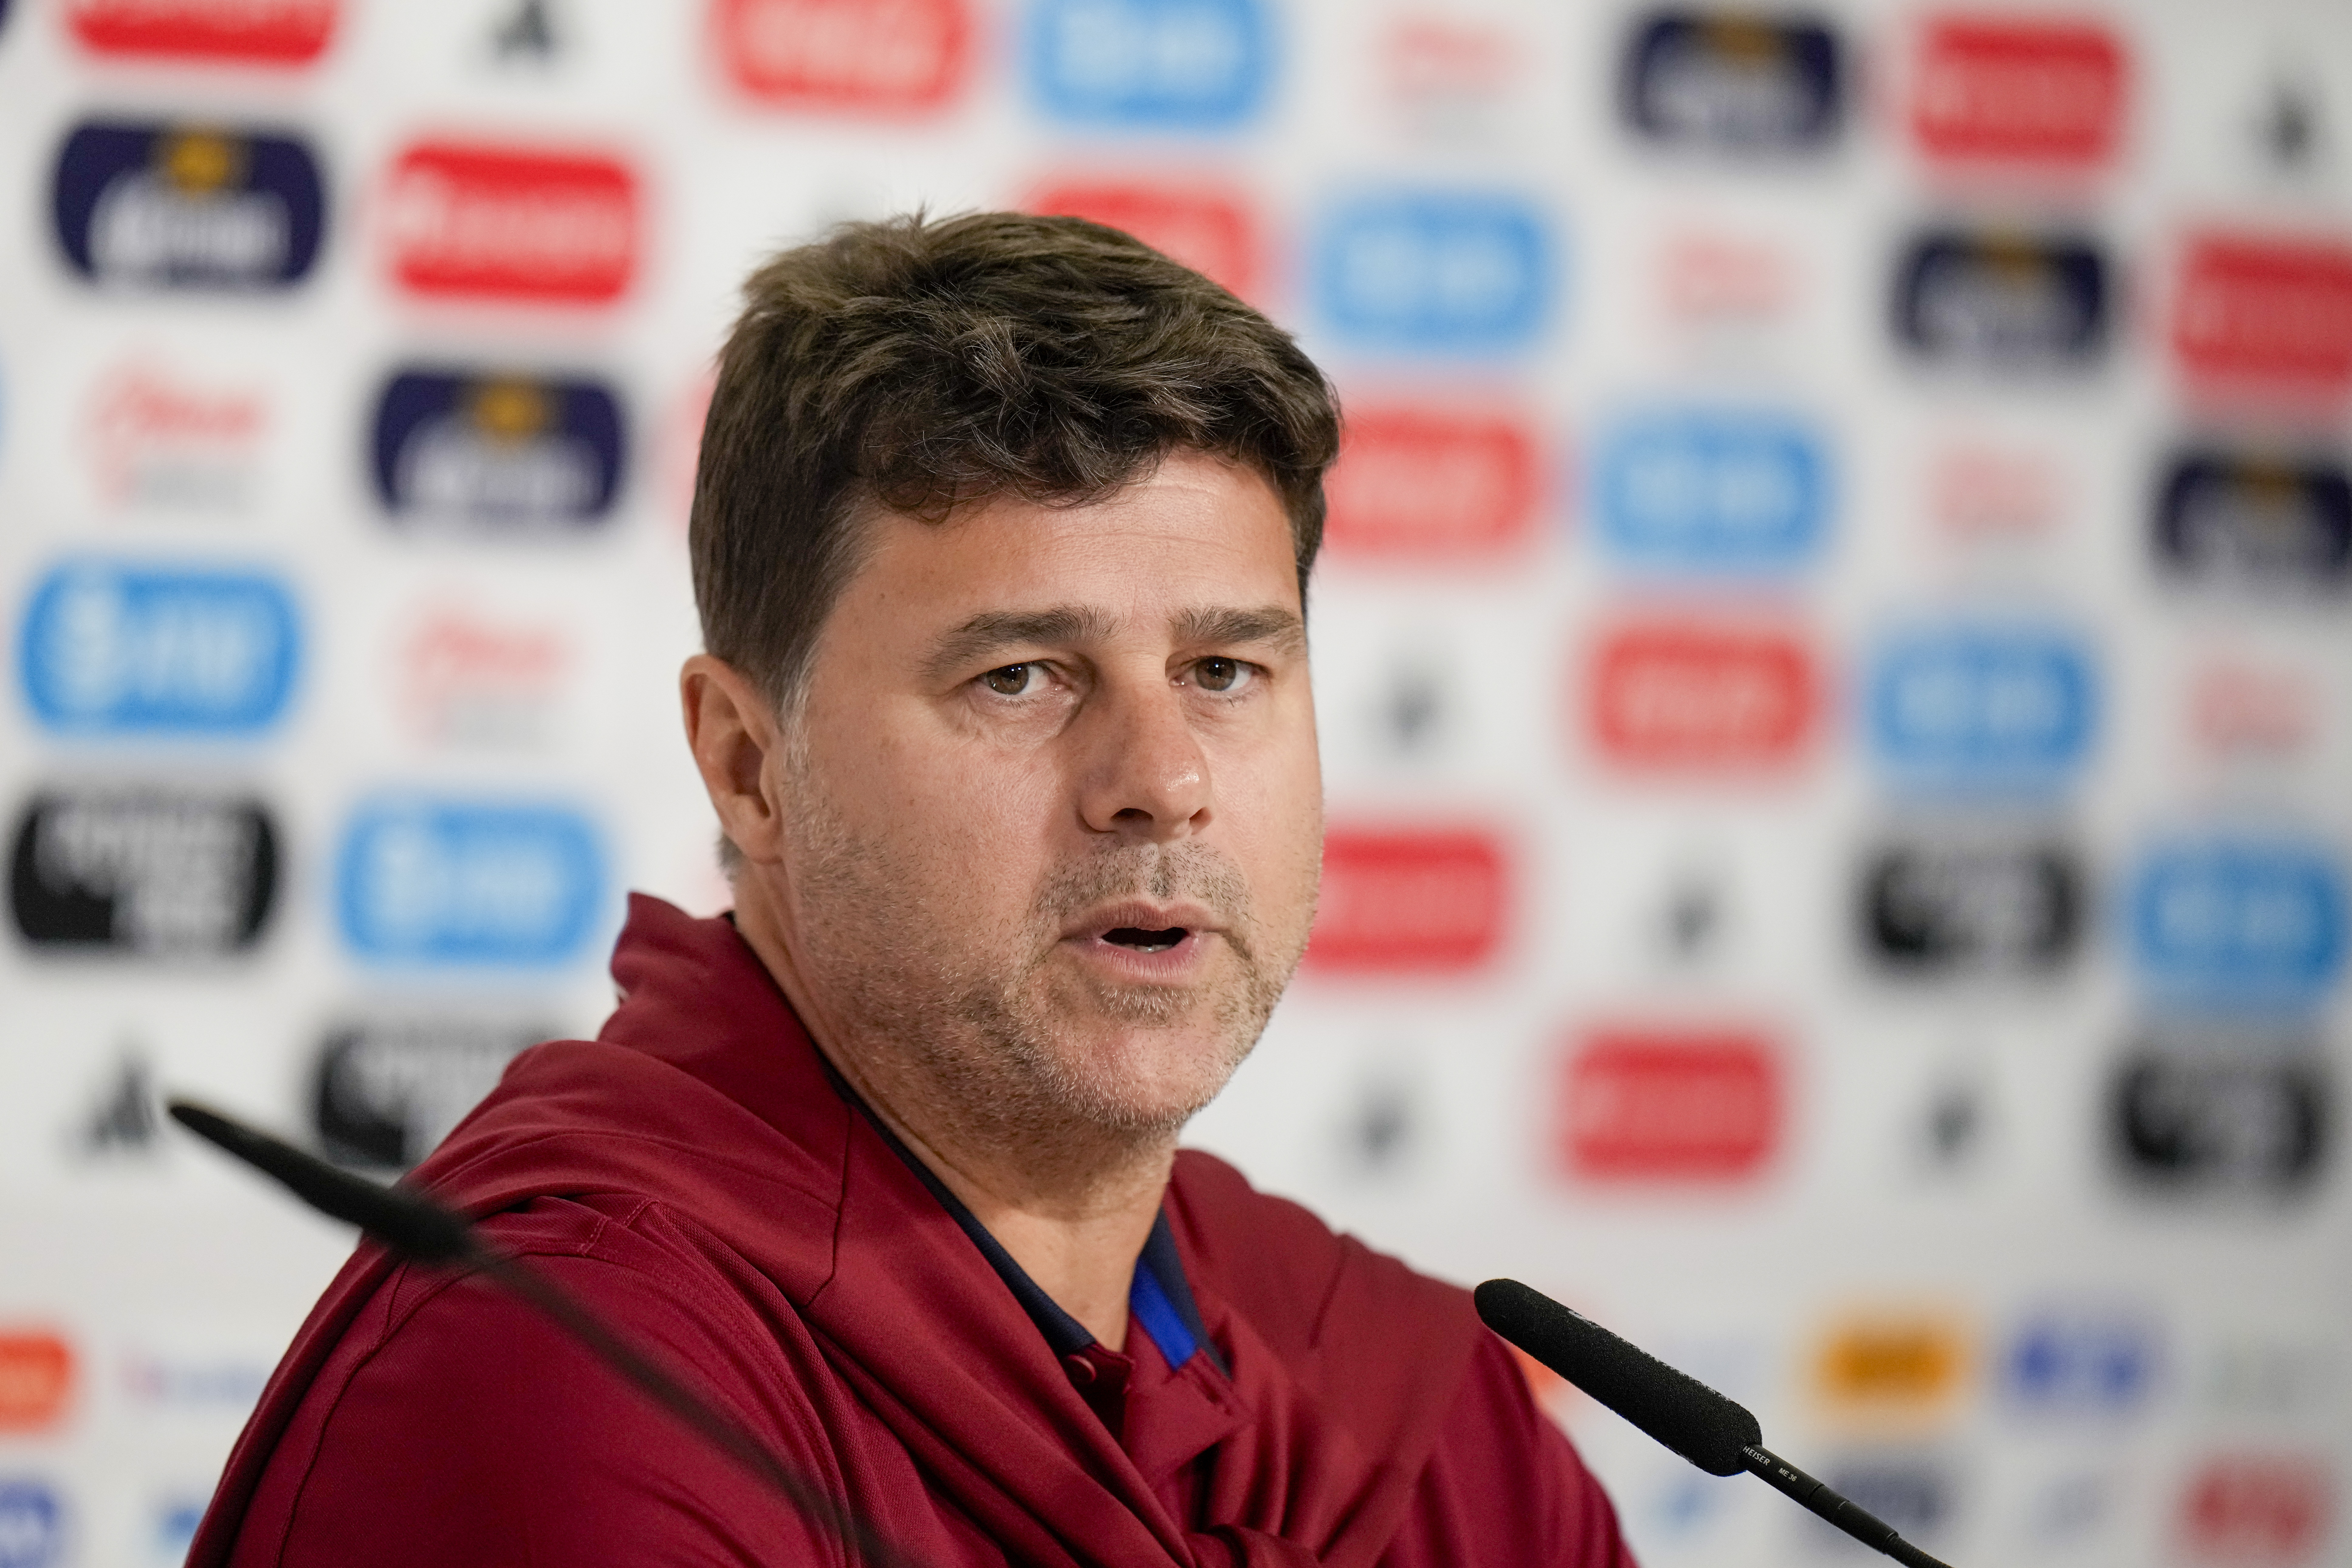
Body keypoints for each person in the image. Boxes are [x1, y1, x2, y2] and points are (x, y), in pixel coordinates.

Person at [189, 212, 1634, 1568]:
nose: (1162, 777)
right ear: (750, 767)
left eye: (1223, 671)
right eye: (1019, 676)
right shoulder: (566, 1365)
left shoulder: (1413, 1408)